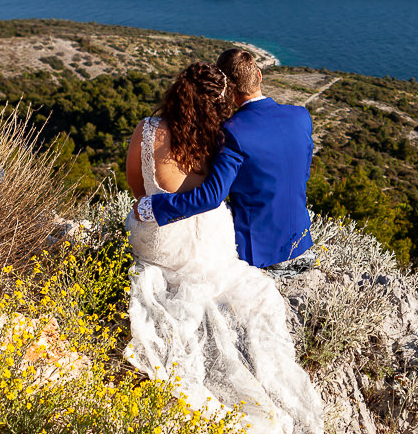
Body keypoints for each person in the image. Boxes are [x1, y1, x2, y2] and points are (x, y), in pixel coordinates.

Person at [123, 59, 324, 434]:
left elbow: (135, 183)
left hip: (158, 241)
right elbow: (217, 195)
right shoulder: (222, 138)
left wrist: (151, 208)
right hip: (211, 239)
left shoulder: (147, 132)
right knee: (232, 283)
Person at [134, 48, 316, 276]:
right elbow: (302, 175)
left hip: (260, 256)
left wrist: (152, 208)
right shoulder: (301, 116)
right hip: (302, 245)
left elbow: (211, 197)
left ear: (226, 88)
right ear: (259, 75)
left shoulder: (231, 131)